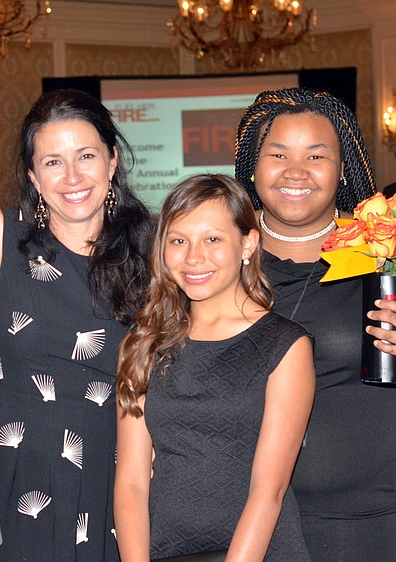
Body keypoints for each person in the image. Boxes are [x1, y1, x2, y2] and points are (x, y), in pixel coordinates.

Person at [0, 89, 154, 561]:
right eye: (53, 162)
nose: (72, 177)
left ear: (112, 161)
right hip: (12, 474)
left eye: (86, 156)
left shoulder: (157, 251)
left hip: (116, 479)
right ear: (33, 175)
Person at [114, 174, 315, 561]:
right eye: (178, 240)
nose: (193, 257)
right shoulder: (142, 344)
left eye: (212, 239)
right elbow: (132, 483)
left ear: (247, 243)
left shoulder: (286, 345)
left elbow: (267, 491)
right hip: (164, 551)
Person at [235, 87, 396, 561]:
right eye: (278, 153)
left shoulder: (383, 254)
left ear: (343, 168)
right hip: (242, 525)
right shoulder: (211, 258)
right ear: (251, 165)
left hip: (370, 526)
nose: (296, 171)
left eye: (316, 155)